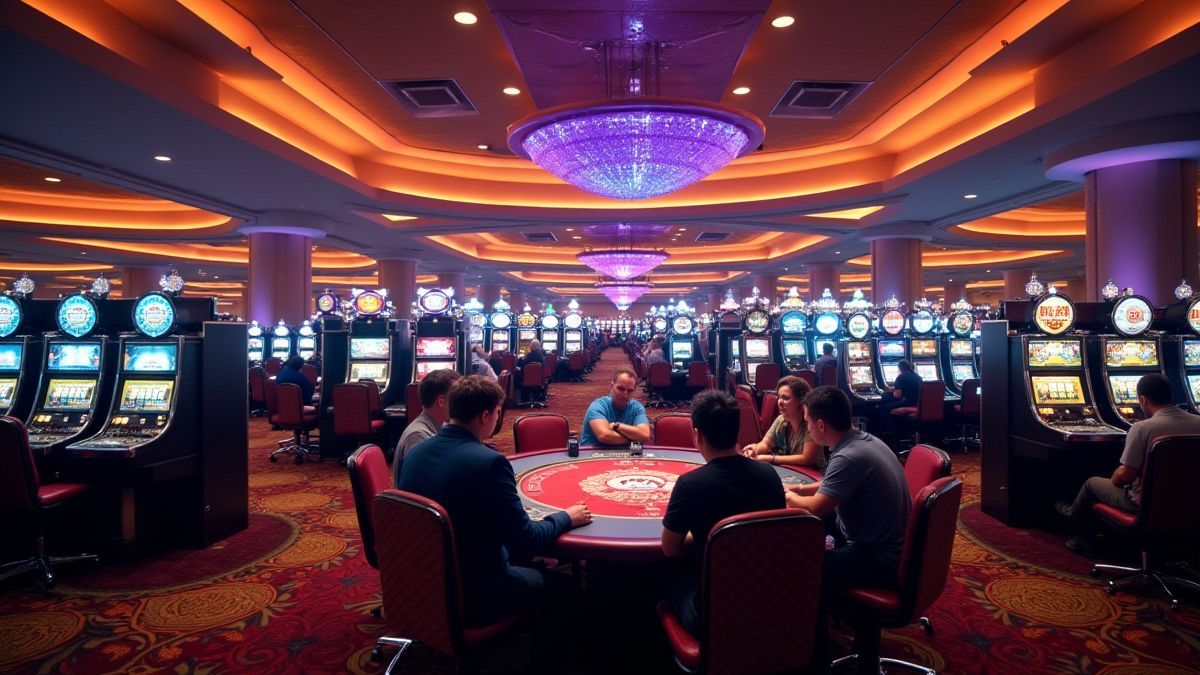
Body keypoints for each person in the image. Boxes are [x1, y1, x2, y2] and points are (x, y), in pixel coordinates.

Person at [396, 376, 593, 630]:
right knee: (569, 587)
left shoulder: (415, 452)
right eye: (498, 412)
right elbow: (526, 541)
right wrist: (567, 516)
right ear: (486, 416)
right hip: (476, 592)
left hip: (422, 580)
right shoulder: (489, 463)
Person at [783, 386, 910, 671]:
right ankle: (858, 637)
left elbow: (817, 507)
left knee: (803, 572)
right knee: (823, 537)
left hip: (878, 558)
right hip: (892, 546)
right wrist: (799, 487)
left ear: (821, 425)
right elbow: (833, 484)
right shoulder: (863, 442)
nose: (806, 426)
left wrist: (787, 496)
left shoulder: (848, 457)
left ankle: (814, 658)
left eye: (807, 421)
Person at [661, 390, 786, 633]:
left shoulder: (689, 484)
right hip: (770, 600)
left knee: (668, 583)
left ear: (697, 435)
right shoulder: (769, 476)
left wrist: (704, 537)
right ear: (736, 431)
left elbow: (670, 548)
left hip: (711, 611)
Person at [1057, 373, 1200, 555]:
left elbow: (1124, 477)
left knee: (1092, 483)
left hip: (1145, 506)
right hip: (1192, 504)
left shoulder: (1143, 428)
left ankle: (1074, 522)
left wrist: (1114, 476)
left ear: (1143, 399)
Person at [741, 375, 826, 471]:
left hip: (814, 475)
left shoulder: (809, 423)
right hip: (790, 471)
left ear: (801, 401)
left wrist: (771, 459)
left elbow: (806, 458)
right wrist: (754, 449)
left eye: (785, 398)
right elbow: (766, 444)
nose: (780, 402)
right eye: (779, 397)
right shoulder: (781, 420)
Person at [392, 368, 460, 486]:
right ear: (441, 401)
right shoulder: (418, 436)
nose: (460, 403)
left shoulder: (441, 425)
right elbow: (421, 487)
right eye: (457, 398)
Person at [579, 367, 651, 447]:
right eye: (620, 389)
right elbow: (604, 436)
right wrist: (634, 438)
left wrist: (617, 426)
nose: (625, 394)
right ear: (612, 385)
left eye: (630, 391)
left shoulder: (637, 408)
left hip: (625, 455)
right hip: (593, 455)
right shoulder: (598, 406)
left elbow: (645, 435)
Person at [877, 359, 922, 431]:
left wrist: (892, 391)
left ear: (900, 368)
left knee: (885, 406)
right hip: (918, 404)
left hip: (907, 403)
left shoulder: (901, 377)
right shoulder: (918, 377)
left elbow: (897, 396)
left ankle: (889, 431)